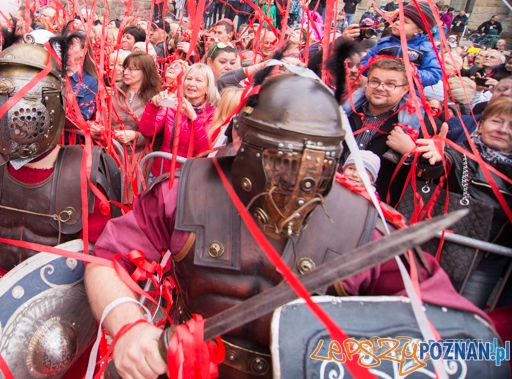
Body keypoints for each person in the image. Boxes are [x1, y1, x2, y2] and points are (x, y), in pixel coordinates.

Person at [85, 73, 484, 379]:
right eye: (282, 157)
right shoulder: (186, 190)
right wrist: (130, 327)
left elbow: (455, 338)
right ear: (246, 141)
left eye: (314, 163)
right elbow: (108, 257)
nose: (295, 178)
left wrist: (352, 357)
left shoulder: (363, 226)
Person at [0, 41, 121, 281]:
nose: (6, 118)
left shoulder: (83, 171)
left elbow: (100, 256)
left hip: (63, 301)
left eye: (20, 107)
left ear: (51, 107)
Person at [413, 97, 512, 307]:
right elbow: (440, 163)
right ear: (482, 123)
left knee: (461, 319)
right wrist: (432, 156)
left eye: (511, 125)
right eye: (496, 121)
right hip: (439, 251)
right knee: (418, 309)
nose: (503, 130)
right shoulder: (460, 153)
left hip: (487, 261)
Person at [342, 58, 437, 204]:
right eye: (374, 81)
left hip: (377, 208)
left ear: (405, 89)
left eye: (390, 84)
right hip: (333, 193)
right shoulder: (344, 112)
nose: (380, 87)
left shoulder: (421, 125)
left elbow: (432, 174)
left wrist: (410, 152)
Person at [139, 63, 218, 176]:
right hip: (160, 172)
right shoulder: (172, 104)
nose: (191, 84)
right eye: (188, 79)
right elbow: (147, 131)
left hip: (187, 178)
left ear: (208, 88)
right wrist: (152, 106)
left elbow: (205, 150)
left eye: (198, 80)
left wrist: (193, 118)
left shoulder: (213, 114)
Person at [360, 2, 442, 88]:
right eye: (398, 19)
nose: (397, 23)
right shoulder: (383, 44)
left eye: (405, 22)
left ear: (419, 30)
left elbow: (434, 74)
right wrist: (377, 69)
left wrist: (410, 74)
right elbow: (363, 64)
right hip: (376, 88)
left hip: (409, 94)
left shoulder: (427, 49)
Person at [66, 33, 99, 121]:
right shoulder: (55, 73)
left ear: (83, 52)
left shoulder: (89, 81)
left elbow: (83, 116)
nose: (67, 47)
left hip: (69, 133)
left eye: (72, 44)